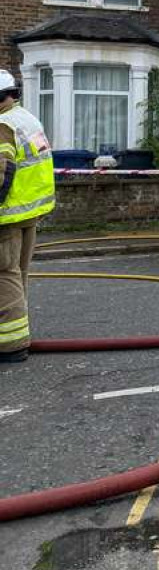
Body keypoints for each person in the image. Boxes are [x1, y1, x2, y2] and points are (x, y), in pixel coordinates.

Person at [0, 69, 55, 363]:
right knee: (18, 274)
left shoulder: (2, 124)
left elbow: (1, 172)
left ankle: (11, 345)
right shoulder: (27, 119)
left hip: (7, 215)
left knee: (3, 276)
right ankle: (17, 333)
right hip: (29, 212)